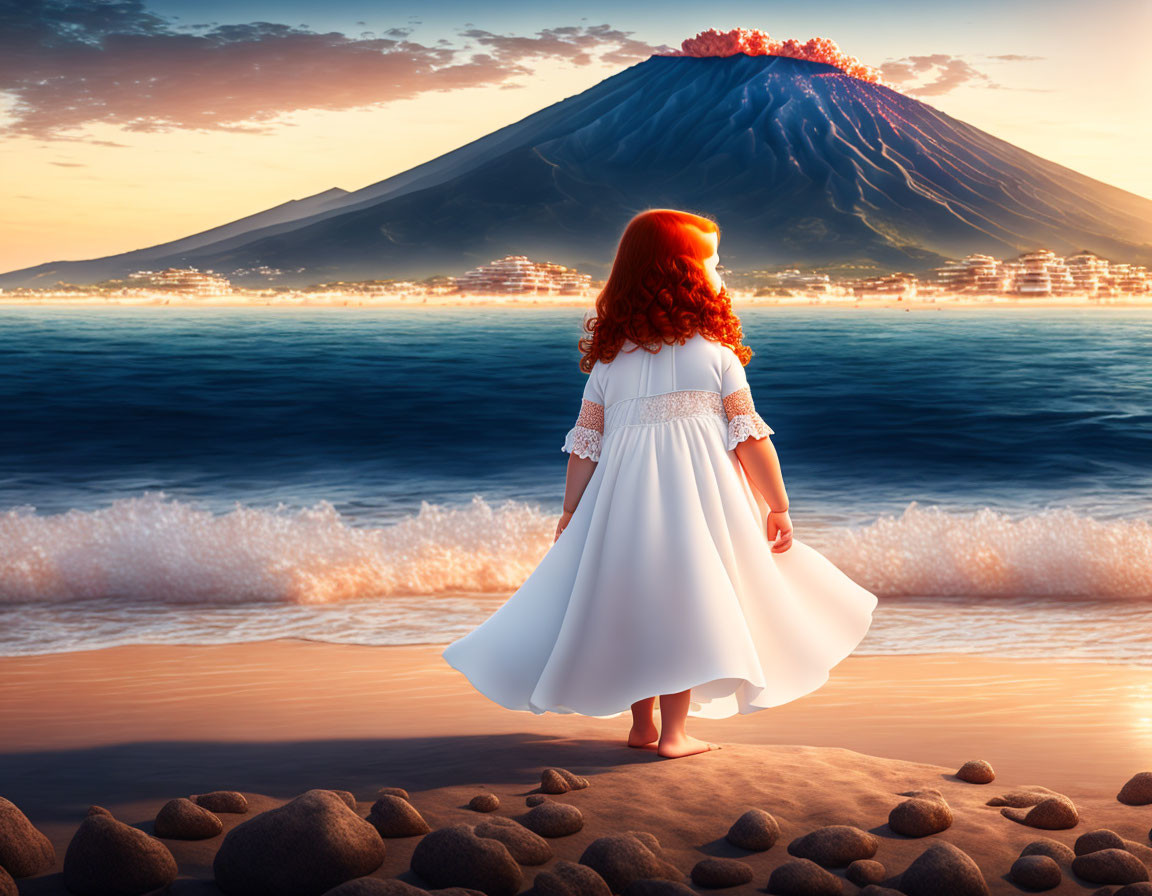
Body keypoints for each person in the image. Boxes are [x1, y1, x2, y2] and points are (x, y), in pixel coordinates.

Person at [442, 209, 878, 759]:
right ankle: (675, 734)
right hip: (700, 501)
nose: (721, 271)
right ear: (691, 277)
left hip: (620, 503)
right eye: (714, 262)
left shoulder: (608, 365)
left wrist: (572, 511)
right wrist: (778, 505)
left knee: (635, 597)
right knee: (688, 600)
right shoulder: (717, 357)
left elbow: (585, 445)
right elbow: (751, 440)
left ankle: (642, 725)